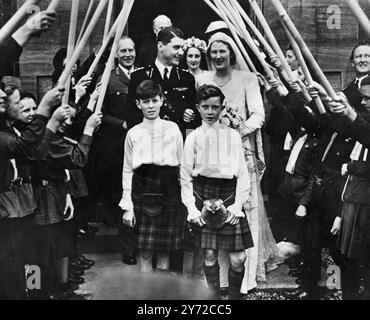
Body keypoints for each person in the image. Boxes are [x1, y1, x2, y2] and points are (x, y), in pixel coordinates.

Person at [196, 32, 280, 295]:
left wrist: (239, 128)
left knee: (241, 207)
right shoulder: (202, 79)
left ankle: (243, 279)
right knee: (213, 210)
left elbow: (259, 114)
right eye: (214, 52)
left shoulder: (247, 79)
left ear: (232, 53)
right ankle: (215, 280)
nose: (218, 56)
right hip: (210, 152)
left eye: (223, 51)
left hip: (239, 150)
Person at [181, 84, 253, 300]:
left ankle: (234, 299)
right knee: (210, 255)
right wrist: (192, 209)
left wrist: (237, 206)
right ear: (198, 108)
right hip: (203, 194)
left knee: (238, 258)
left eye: (215, 107)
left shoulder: (232, 136)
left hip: (229, 195)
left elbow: (242, 174)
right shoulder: (193, 137)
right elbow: (185, 176)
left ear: (223, 108)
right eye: (205, 107)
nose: (210, 112)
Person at [30, 104, 102, 299]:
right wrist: (88, 129)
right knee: (39, 253)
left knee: (61, 246)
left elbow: (62, 169)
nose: (67, 123)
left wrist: (67, 193)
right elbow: (77, 159)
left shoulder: (50, 136)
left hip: (57, 194)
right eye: (25, 110)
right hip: (41, 199)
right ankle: (38, 292)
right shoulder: (44, 138)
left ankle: (62, 289)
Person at [119, 80, 185, 273]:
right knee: (145, 252)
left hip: (169, 189)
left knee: (165, 251)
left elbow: (181, 165)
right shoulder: (133, 133)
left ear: (162, 101)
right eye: (145, 101)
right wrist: (128, 207)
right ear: (138, 104)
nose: (151, 106)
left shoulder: (173, 129)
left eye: (154, 100)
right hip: (143, 189)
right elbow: (127, 170)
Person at [94, 36, 138, 264]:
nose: (128, 54)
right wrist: (119, 123)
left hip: (142, 145)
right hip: (118, 148)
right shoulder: (108, 80)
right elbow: (98, 114)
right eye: (123, 51)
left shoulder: (143, 75)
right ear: (116, 54)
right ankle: (127, 248)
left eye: (131, 50)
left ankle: (143, 244)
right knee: (124, 196)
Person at [126, 27, 200, 138]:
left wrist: (188, 145)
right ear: (160, 46)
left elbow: (193, 121)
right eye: (176, 47)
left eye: (182, 48)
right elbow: (132, 117)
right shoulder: (139, 77)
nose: (181, 52)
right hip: (149, 143)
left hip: (178, 144)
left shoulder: (187, 78)